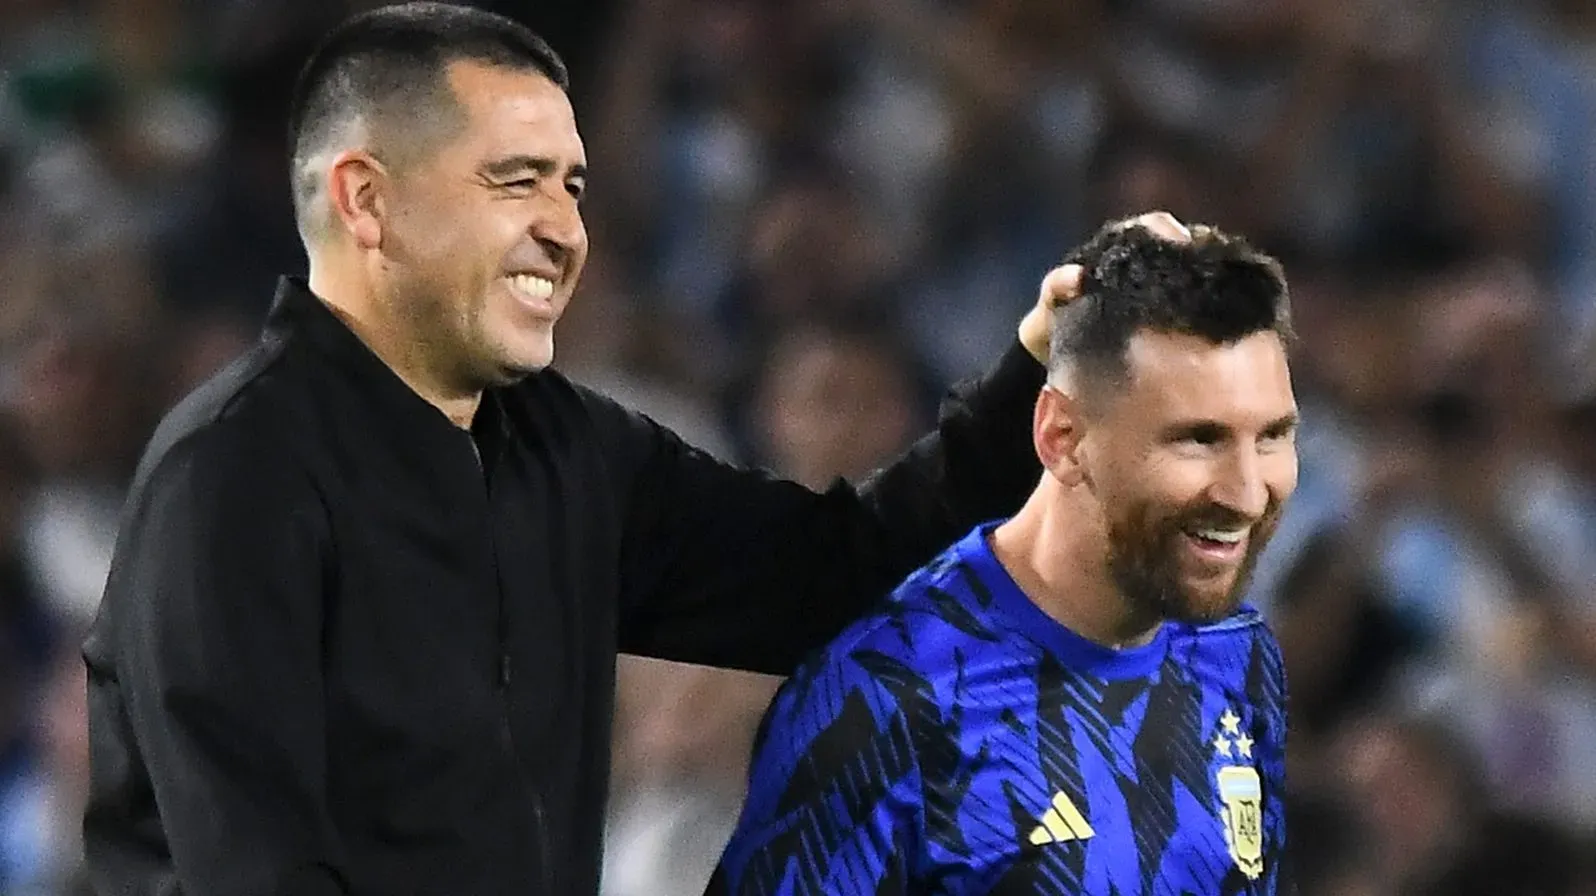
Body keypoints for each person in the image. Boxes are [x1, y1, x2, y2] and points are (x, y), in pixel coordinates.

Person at [77, 2, 1192, 893]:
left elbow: (840, 569)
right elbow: (250, 863)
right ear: (367, 202)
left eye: (570, 186)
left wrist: (1038, 367)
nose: (563, 230)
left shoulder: (565, 451)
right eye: (514, 182)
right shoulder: (232, 477)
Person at [708, 222, 1297, 894]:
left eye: (1272, 436)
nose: (1246, 493)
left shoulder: (1236, 652)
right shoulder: (883, 702)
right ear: (1062, 436)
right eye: (1198, 440)